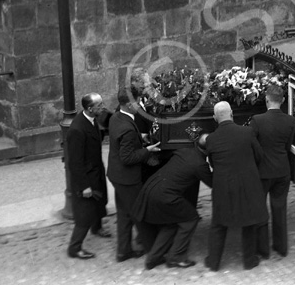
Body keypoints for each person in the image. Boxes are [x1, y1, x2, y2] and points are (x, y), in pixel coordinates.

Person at [131, 133, 213, 271]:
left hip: (152, 188)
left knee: (171, 224)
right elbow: (213, 183)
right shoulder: (200, 165)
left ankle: (153, 258)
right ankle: (176, 257)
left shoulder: (184, 151)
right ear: (208, 150)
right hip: (165, 196)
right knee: (190, 219)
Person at [204, 101, 268, 271]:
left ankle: (214, 262)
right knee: (249, 222)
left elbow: (212, 163)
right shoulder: (246, 132)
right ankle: (249, 260)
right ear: (232, 113)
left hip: (222, 186)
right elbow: (259, 156)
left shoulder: (211, 139)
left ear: (214, 118)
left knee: (218, 224)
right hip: (247, 184)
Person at [107, 86, 161, 262]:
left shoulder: (117, 117)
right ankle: (154, 252)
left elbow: (124, 145)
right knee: (140, 213)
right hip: (128, 179)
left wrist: (139, 142)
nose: (139, 104)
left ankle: (123, 251)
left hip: (117, 176)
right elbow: (128, 157)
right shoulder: (128, 128)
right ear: (129, 104)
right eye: (137, 101)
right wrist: (147, 150)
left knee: (124, 213)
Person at [249, 84, 295, 258]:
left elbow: (252, 145)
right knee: (280, 208)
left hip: (262, 171)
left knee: (260, 210)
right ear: (283, 100)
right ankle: (281, 247)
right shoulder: (291, 121)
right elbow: (287, 145)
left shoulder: (257, 120)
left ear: (266, 99)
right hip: (282, 169)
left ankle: (263, 250)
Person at [66, 93, 111, 260]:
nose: (103, 107)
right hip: (86, 177)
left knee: (100, 201)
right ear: (90, 109)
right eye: (99, 105)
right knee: (84, 214)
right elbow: (75, 163)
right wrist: (84, 186)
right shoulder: (77, 129)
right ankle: (74, 247)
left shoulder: (91, 120)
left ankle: (97, 227)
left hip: (96, 170)